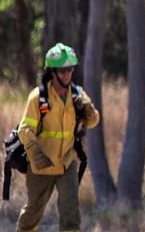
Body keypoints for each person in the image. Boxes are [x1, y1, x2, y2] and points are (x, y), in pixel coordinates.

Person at [16, 43, 100, 232]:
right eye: (62, 70)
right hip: (41, 167)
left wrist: (88, 109)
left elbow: (93, 121)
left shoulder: (77, 95)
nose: (66, 74)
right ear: (52, 72)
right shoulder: (38, 97)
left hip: (66, 162)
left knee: (71, 212)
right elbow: (25, 129)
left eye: (70, 69)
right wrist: (36, 155)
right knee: (32, 213)